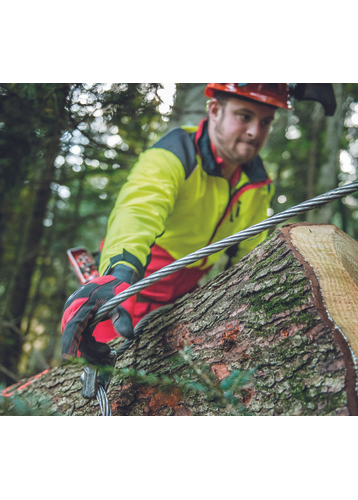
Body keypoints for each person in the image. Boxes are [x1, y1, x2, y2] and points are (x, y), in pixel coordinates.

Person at [61, 83, 291, 364]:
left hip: (184, 300)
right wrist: (119, 273)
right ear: (215, 110)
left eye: (265, 122)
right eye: (244, 116)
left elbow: (248, 256)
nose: (255, 132)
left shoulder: (258, 184)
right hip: (130, 291)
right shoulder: (172, 155)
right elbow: (136, 213)